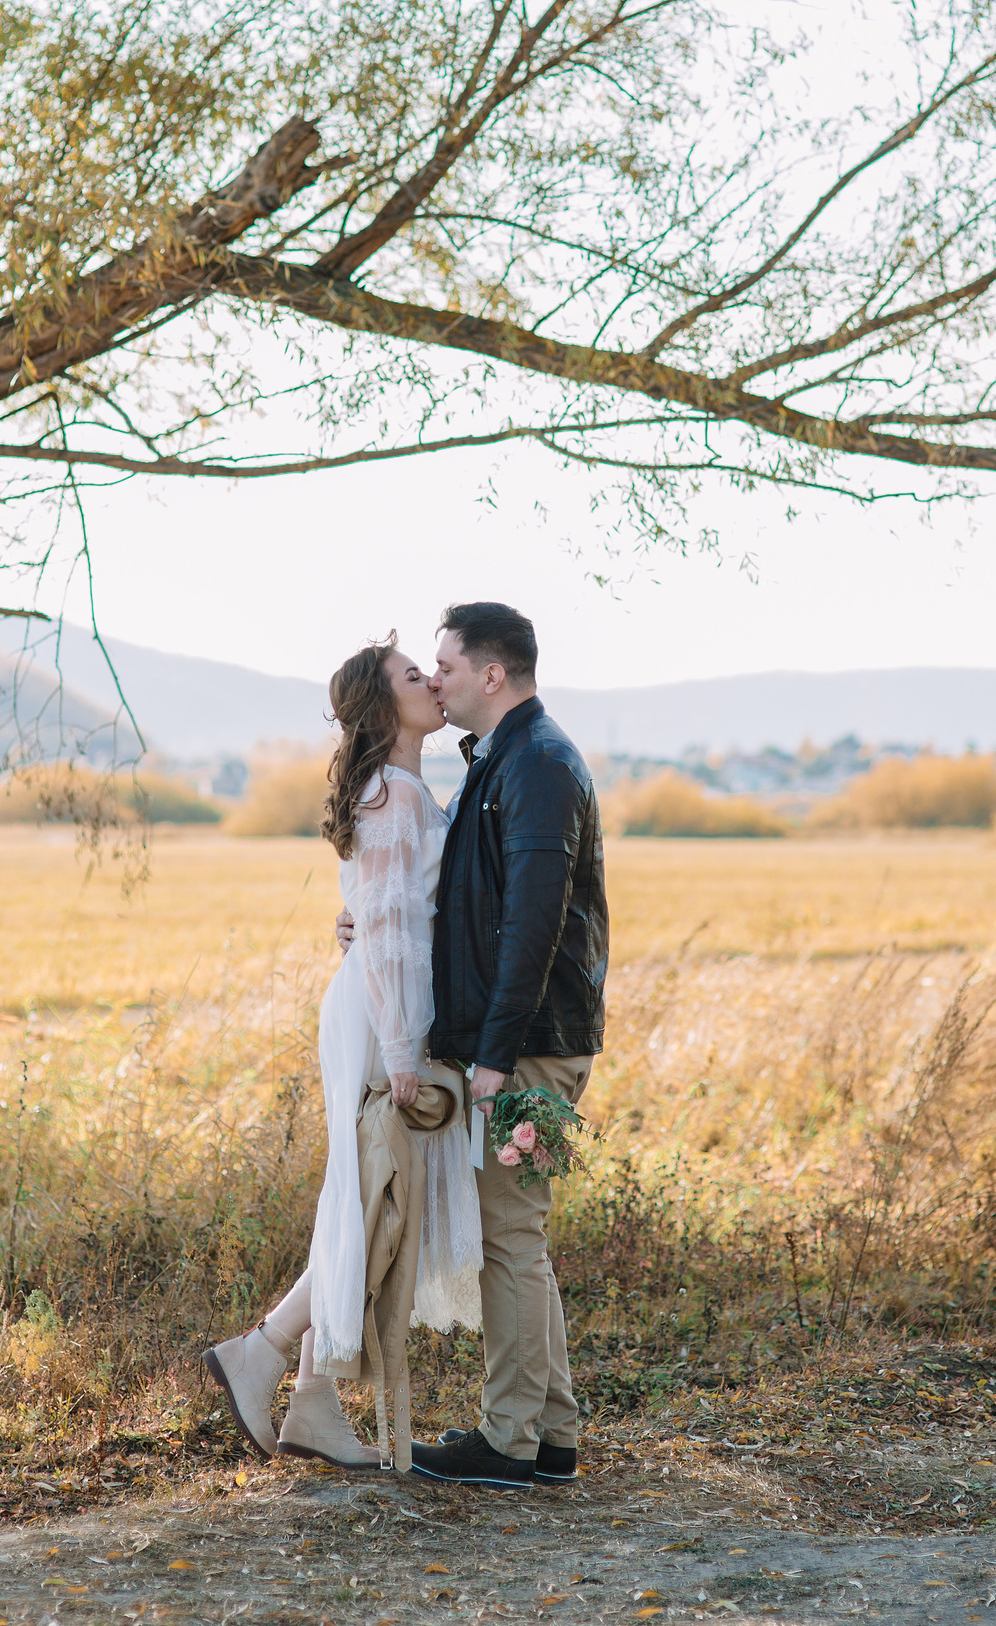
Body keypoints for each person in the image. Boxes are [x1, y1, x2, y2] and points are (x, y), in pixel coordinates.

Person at [201, 637, 483, 1470]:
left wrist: (356, 922)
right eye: (411, 677)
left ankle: (310, 1397)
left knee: (365, 1199)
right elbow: (393, 930)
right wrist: (402, 1050)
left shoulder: (399, 786)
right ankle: (267, 1352)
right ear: (381, 705)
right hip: (382, 1018)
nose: (431, 683)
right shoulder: (392, 792)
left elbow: (385, 909)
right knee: (368, 1196)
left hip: (379, 1003)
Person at [409, 601, 609, 1490]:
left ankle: (508, 1441)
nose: (435, 677)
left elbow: (531, 924)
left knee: (508, 1239)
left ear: (492, 674)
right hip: (519, 1039)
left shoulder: (539, 764)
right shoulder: (506, 759)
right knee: (517, 1232)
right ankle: (552, 1434)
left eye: (445, 663)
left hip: (528, 1047)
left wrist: (491, 1055)